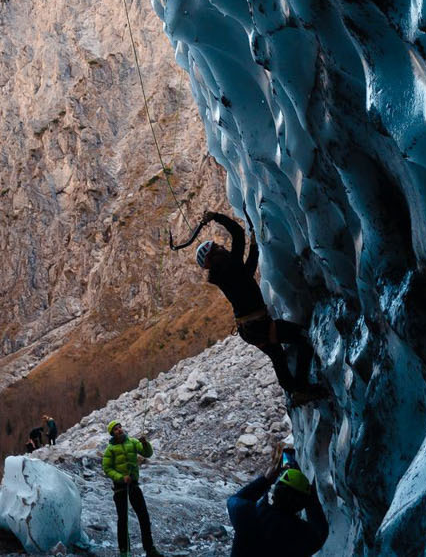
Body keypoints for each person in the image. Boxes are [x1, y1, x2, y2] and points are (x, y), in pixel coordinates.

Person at [177, 211, 323, 402]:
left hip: (251, 328)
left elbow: (247, 270)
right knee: (302, 339)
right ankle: (300, 389)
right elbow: (238, 236)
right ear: (214, 256)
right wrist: (216, 217)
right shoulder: (229, 266)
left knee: (278, 356)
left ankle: (296, 391)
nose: (222, 247)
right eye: (218, 247)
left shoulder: (224, 272)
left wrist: (254, 245)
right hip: (258, 325)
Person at [226, 464, 327, 557]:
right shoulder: (300, 534)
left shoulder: (246, 514)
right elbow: (320, 533)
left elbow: (234, 499)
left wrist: (266, 480)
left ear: (274, 492)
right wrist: (312, 502)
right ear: (301, 505)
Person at [101, 422, 162, 557]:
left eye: (119, 427)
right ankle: (124, 551)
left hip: (133, 485)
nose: (119, 430)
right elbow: (107, 469)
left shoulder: (133, 442)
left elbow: (147, 454)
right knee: (123, 519)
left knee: (144, 516)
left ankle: (149, 549)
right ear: (112, 433)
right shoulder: (109, 449)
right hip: (120, 488)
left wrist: (145, 443)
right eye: (115, 429)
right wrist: (121, 478)